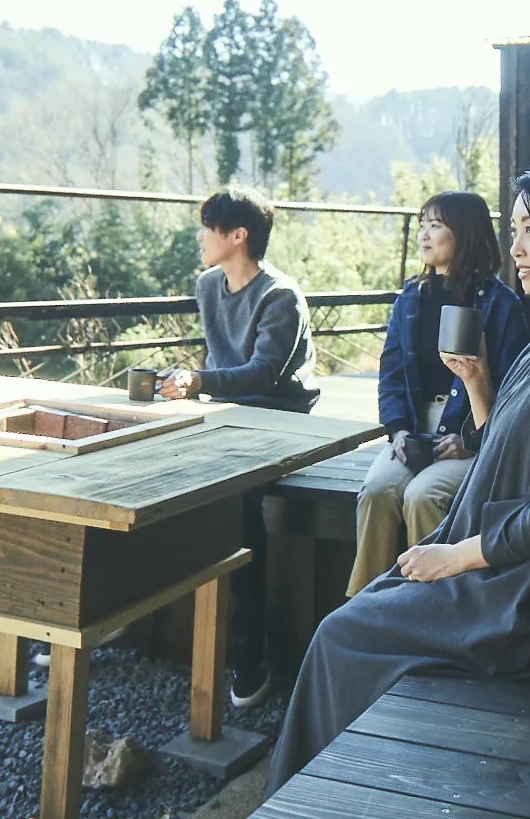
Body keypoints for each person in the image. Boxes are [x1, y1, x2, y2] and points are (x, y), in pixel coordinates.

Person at [267, 161, 530, 794]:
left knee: (343, 635)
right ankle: (313, 789)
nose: (518, 248)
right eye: (514, 231)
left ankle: (304, 797)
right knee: (367, 609)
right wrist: (478, 386)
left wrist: (456, 558)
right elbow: (507, 447)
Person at [155, 186, 316, 706]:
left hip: (279, 418)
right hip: (226, 414)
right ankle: (103, 611)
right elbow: (219, 363)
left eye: (208, 228)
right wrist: (189, 388)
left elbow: (265, 374)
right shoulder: (207, 286)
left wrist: (200, 383)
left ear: (238, 236)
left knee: (235, 496)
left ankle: (250, 654)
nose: (199, 237)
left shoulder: (279, 295)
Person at [348, 191, 528, 596]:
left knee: (423, 495)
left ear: (464, 234)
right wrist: (395, 433)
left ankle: (429, 604)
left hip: (473, 435)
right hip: (413, 429)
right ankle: (366, 603)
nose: (424, 236)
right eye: (423, 225)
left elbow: (515, 390)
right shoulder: (410, 298)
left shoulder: (500, 303)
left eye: (436, 226)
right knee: (377, 491)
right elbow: (390, 375)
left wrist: (468, 440)